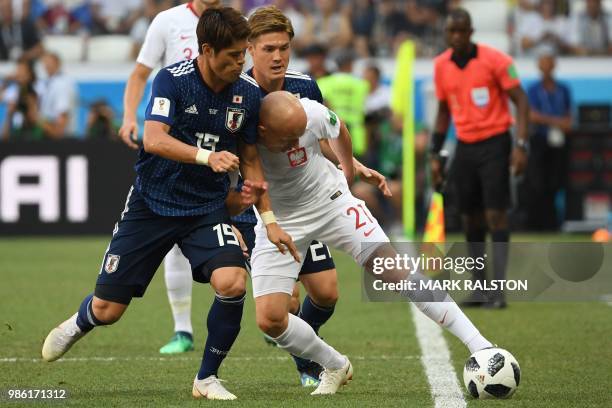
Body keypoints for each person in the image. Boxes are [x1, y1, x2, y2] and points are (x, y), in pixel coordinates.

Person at [41, 8, 297, 401]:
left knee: (231, 282)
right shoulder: (173, 81)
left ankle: (206, 378)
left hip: (206, 207)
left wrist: (268, 216)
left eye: (243, 54)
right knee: (109, 310)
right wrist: (206, 157)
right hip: (152, 203)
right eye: (232, 56)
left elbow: (249, 158)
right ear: (207, 50)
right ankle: (79, 322)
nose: (240, 63)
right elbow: (154, 139)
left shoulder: (247, 94)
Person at [252, 91, 494, 396]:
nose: (298, 143)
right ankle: (335, 364)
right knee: (271, 319)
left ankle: (481, 346)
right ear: (263, 132)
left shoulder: (310, 112)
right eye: (289, 138)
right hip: (280, 219)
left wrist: (348, 171)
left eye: (302, 134)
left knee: (394, 269)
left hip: (330, 201)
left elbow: (337, 128)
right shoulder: (241, 132)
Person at [246, 5, 388, 387]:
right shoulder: (239, 96)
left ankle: (306, 347)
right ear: (250, 48)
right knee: (283, 303)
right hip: (266, 213)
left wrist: (353, 164)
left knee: (326, 294)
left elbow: (320, 137)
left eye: (284, 48)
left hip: (312, 203)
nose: (277, 56)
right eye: (269, 48)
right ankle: (310, 364)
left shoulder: (305, 86)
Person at [119, 0, 222, 355]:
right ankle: (183, 331)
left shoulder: (232, 23)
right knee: (173, 235)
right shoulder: (168, 21)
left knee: (247, 219)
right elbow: (140, 73)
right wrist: (129, 117)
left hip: (219, 135)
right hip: (173, 140)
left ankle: (274, 316)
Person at [430, 8, 529, 309]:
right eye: (452, 32)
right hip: (465, 145)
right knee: (469, 217)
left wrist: (521, 145)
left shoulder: (496, 60)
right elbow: (444, 111)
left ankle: (499, 291)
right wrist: (435, 154)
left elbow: (521, 101)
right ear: (447, 34)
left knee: (495, 215)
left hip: (496, 143)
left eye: (462, 31)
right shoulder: (441, 66)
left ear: (471, 32)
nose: (457, 36)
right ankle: (482, 288)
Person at [524, 50, 572, 230]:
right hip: (540, 141)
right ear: (538, 66)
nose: (546, 67)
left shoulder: (563, 89)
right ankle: (537, 224)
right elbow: (532, 116)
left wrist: (560, 122)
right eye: (543, 62)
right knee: (538, 183)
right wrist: (556, 121)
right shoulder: (533, 89)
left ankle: (554, 223)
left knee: (556, 182)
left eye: (549, 62)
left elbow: (569, 117)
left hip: (559, 143)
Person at [318, 50, 369, 159]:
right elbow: (366, 107)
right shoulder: (361, 84)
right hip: (356, 133)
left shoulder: (324, 82)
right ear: (350, 65)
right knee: (358, 170)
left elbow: (323, 105)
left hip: (333, 131)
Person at [36, 52, 77, 139]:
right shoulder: (45, 82)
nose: (46, 65)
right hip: (46, 132)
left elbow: (63, 112)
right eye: (45, 62)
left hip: (59, 136)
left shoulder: (63, 83)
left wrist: (57, 133)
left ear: (58, 63)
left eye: (49, 62)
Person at [1, 57, 40, 140]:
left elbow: (34, 119)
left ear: (29, 74)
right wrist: (6, 81)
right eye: (18, 70)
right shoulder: (14, 90)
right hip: (13, 133)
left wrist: (30, 107)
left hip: (28, 135)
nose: (19, 73)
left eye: (22, 70)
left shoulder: (33, 92)